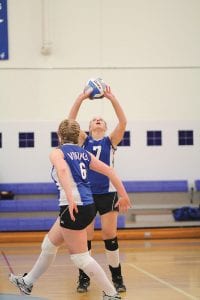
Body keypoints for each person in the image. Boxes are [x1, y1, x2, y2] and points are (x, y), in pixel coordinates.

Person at [9, 119, 131, 300]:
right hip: (86, 205)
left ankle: (111, 294)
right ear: (78, 136)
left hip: (73, 206)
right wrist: (123, 195)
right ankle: (27, 282)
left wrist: (71, 197)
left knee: (80, 258)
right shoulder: (84, 153)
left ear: (59, 136)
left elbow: (63, 171)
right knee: (49, 244)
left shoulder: (57, 152)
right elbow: (110, 171)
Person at [68, 84, 128, 293]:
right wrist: (81, 98)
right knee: (86, 238)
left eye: (100, 119)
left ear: (104, 126)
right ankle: (84, 278)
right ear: (90, 126)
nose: (98, 120)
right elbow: (70, 122)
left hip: (108, 193)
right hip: (87, 194)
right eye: (94, 119)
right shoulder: (83, 140)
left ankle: (117, 278)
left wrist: (112, 98)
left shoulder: (110, 141)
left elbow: (123, 122)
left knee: (109, 235)